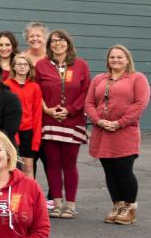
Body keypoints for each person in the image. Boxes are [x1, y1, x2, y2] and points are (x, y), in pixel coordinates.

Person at [86, 45, 147, 225]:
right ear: (108, 60)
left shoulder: (137, 78)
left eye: (120, 57)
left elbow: (140, 103)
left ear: (128, 59)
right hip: (102, 132)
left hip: (125, 132)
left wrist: (119, 122)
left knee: (123, 170)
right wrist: (98, 121)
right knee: (110, 172)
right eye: (112, 57)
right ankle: (117, 205)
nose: (116, 60)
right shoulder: (99, 79)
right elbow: (89, 103)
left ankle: (129, 207)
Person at [33, 30, 90, 220]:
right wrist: (47, 110)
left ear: (68, 43)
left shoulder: (81, 65)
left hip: (73, 121)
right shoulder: (41, 65)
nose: (58, 44)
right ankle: (57, 203)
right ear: (49, 45)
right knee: (53, 164)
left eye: (61, 40)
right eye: (54, 41)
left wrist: (71, 109)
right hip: (49, 120)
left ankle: (71, 205)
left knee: (70, 164)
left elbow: (86, 92)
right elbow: (36, 91)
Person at [4, 55, 44, 179]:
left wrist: (36, 138)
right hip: (12, 131)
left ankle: (30, 197)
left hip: (28, 132)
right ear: (13, 67)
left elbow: (37, 113)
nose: (22, 67)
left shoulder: (35, 87)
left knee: (28, 168)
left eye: (25, 64)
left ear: (29, 68)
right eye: (19, 64)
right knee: (12, 167)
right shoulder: (6, 85)